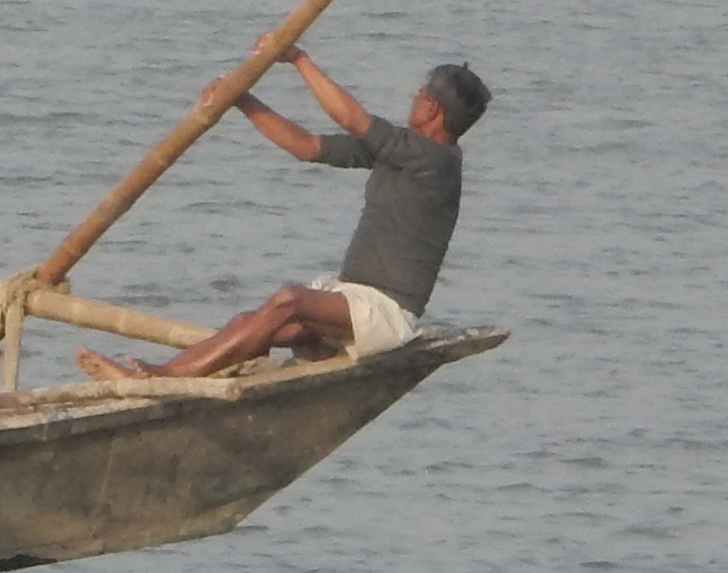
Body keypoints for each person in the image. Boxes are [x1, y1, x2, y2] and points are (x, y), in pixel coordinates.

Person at [78, 52, 487, 384]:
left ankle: (161, 378)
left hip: (385, 315)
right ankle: (179, 374)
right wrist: (244, 100)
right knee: (250, 322)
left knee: (287, 300)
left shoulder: (435, 161)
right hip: (350, 302)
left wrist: (298, 59)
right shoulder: (402, 151)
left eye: (418, 94)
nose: (412, 98)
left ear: (431, 106)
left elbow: (352, 118)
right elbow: (307, 147)